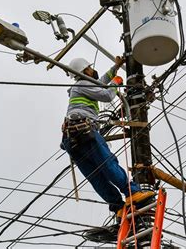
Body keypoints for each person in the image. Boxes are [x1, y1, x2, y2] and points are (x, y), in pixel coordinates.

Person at [60, 56, 154, 220]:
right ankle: (132, 192)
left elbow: (101, 82)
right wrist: (116, 82)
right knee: (107, 163)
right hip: (82, 131)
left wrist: (115, 68)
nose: (92, 69)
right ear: (84, 71)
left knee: (96, 176)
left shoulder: (81, 85)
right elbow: (107, 94)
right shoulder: (82, 84)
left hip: (71, 139)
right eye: (89, 67)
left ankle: (117, 206)